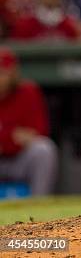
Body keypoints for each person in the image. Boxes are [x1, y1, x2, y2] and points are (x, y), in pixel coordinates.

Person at [0, 48, 58, 195]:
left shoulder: (28, 92)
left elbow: (39, 131)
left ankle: (39, 204)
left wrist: (5, 139)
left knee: (44, 149)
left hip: (19, 160)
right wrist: (13, 136)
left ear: (13, 73)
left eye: (2, 73)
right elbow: (19, 136)